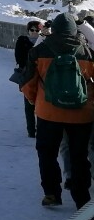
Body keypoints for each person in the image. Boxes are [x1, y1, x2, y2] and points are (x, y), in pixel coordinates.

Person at [22, 13, 94, 209]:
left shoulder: (40, 51)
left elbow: (28, 82)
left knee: (47, 153)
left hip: (48, 113)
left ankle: (52, 193)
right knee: (79, 156)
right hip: (81, 114)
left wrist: (33, 101)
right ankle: (82, 198)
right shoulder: (88, 52)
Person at [15, 20, 44, 138]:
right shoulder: (22, 41)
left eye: (37, 30)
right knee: (29, 104)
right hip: (27, 76)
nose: (34, 32)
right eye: (32, 30)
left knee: (42, 103)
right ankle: (31, 130)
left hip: (41, 76)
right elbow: (19, 58)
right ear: (28, 30)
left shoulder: (44, 42)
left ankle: (41, 128)